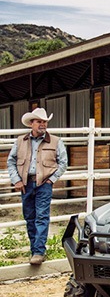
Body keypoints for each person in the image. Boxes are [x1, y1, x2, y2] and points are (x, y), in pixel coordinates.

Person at [7, 107, 68, 265]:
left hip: (44, 183)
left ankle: (38, 251)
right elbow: (11, 161)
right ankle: (34, 248)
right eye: (39, 121)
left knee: (41, 217)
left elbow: (63, 162)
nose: (43, 124)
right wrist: (17, 180)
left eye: (45, 122)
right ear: (31, 124)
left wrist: (51, 179)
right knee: (29, 217)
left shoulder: (55, 141)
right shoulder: (20, 141)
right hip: (25, 183)